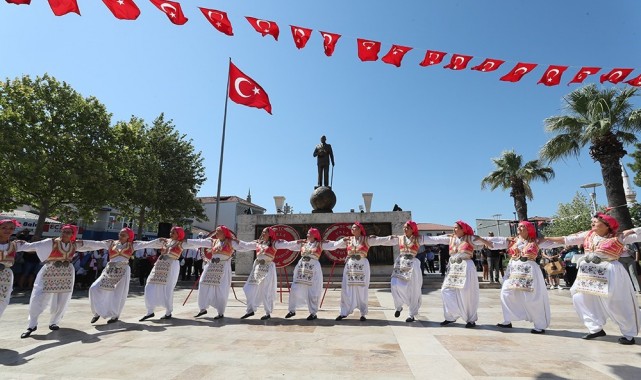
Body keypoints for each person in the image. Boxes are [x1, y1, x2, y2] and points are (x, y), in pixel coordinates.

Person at [546, 213, 641, 345]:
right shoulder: (588, 235)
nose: (592, 223)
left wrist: (633, 230)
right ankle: (595, 328)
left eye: (595, 221)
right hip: (588, 273)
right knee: (579, 297)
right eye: (592, 221)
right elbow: (565, 239)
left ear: (607, 225)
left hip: (610, 271)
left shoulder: (619, 236)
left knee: (616, 303)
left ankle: (629, 333)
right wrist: (542, 238)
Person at [17, 224, 105, 338]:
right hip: (50, 271)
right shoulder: (51, 242)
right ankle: (32, 324)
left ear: (73, 234)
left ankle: (54, 322)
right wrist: (16, 245)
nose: (65, 234)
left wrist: (107, 243)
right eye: (64, 231)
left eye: (69, 232)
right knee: (38, 297)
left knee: (62, 299)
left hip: (66, 273)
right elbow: (32, 246)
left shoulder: (75, 244)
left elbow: (92, 245)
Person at [489, 221, 563, 334]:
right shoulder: (513, 240)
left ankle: (539, 324)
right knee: (506, 293)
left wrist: (549, 237)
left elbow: (557, 242)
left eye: (522, 226)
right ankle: (507, 320)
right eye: (518, 226)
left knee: (532, 297)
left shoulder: (536, 241)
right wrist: (479, 239)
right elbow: (493, 244)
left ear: (529, 229)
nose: (519, 228)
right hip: (513, 271)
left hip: (530, 270)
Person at [419, 220, 493, 328]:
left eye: (456, 228)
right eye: (454, 228)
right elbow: (434, 239)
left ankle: (470, 319)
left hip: (466, 267)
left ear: (463, 229)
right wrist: (417, 238)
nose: (454, 229)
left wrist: (482, 240)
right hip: (453, 268)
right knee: (446, 290)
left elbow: (491, 243)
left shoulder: (471, 238)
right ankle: (451, 316)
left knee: (466, 294)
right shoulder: (450, 238)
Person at [138, 226, 213, 322]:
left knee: (167, 289)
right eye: (171, 232)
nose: (171, 234)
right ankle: (150, 311)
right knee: (149, 286)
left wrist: (211, 241)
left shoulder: (182, 243)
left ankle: (168, 312)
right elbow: (148, 244)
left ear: (179, 234)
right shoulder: (165, 241)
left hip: (171, 266)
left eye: (173, 233)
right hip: (159, 266)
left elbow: (197, 244)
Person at [88, 228, 160, 324]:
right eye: (120, 234)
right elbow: (96, 244)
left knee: (118, 293)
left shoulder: (133, 245)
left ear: (129, 237)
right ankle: (97, 312)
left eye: (123, 235)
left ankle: (115, 315)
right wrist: (79, 243)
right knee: (94, 288)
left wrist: (160, 241)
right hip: (110, 269)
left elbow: (148, 244)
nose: (120, 236)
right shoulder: (111, 243)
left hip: (123, 270)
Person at [331, 222, 393, 322]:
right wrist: (342, 239)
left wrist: (392, 237)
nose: (352, 229)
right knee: (347, 289)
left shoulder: (367, 239)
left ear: (360, 229)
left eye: (355, 227)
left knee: (362, 289)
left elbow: (380, 241)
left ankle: (363, 313)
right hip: (350, 267)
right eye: (352, 228)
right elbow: (334, 245)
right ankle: (344, 312)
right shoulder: (348, 240)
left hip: (362, 266)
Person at [279, 228, 342, 321]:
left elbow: (333, 245)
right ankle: (292, 310)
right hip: (302, 268)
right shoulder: (303, 243)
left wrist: (342, 241)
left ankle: (313, 313)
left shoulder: (320, 244)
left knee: (313, 291)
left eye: (309, 233)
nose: (307, 235)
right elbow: (289, 246)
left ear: (314, 235)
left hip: (313, 268)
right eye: (307, 233)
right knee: (295, 288)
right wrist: (292, 242)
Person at [376, 221, 430, 322]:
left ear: (412, 229)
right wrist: (372, 239)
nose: (405, 229)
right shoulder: (400, 238)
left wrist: (450, 238)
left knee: (413, 289)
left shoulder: (418, 239)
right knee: (394, 284)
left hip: (412, 265)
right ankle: (398, 306)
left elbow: (434, 239)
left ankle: (411, 314)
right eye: (404, 227)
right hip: (400, 264)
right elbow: (385, 240)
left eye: (407, 228)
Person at [235, 227, 292, 320]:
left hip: (268, 268)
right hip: (257, 269)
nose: (263, 234)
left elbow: (287, 244)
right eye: (262, 232)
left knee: (266, 291)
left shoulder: (274, 243)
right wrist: (237, 241)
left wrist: (297, 243)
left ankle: (267, 312)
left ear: (270, 234)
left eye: (265, 232)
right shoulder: (258, 243)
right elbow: (246, 245)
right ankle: (250, 310)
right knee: (249, 288)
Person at [193, 226, 242, 320]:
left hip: (223, 267)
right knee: (203, 283)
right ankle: (202, 308)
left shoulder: (231, 242)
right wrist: (186, 240)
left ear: (224, 233)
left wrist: (256, 244)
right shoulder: (213, 241)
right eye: (216, 231)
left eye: (218, 232)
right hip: (212, 266)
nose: (216, 233)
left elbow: (244, 246)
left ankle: (220, 312)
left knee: (221, 288)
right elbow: (199, 242)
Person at [0, 219, 21, 319]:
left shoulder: (14, 244)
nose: (7, 230)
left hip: (6, 276)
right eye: (4, 228)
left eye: (11, 228)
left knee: (3, 301)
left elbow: (33, 247)